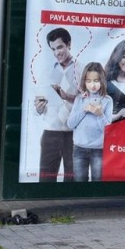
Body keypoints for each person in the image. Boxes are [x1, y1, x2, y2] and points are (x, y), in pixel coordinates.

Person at [34, 27, 79, 182]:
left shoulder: (82, 69)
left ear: (69, 45)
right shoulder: (46, 72)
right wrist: (38, 109)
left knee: (72, 182)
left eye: (60, 47)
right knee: (45, 182)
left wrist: (69, 97)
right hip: (50, 133)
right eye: (53, 49)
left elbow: (90, 101)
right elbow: (37, 102)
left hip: (74, 134)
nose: (57, 52)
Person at [67, 62, 113, 182]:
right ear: (84, 81)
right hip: (79, 148)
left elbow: (108, 129)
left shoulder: (107, 100)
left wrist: (99, 114)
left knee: (97, 180)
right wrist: (83, 110)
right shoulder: (79, 99)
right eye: (89, 81)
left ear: (102, 80)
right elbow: (70, 124)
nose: (92, 85)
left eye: (96, 81)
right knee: (79, 181)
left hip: (98, 149)